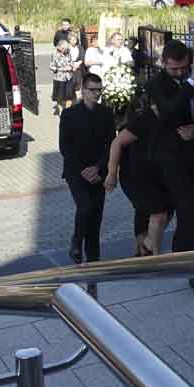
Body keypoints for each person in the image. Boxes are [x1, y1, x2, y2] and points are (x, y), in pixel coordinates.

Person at [144, 40, 194, 289]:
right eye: (174, 69)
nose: (179, 73)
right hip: (172, 157)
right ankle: (187, 265)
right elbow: (169, 110)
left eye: (184, 68)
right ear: (163, 63)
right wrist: (191, 80)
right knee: (188, 209)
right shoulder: (155, 84)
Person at [104, 99, 172, 257]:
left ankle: (146, 248)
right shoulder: (145, 119)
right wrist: (111, 174)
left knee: (163, 212)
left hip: (156, 175)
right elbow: (117, 143)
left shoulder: (170, 116)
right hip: (136, 177)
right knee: (159, 214)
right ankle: (152, 251)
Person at [59, 73, 115, 265]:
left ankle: (93, 257)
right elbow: (65, 147)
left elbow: (111, 144)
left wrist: (98, 168)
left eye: (99, 90)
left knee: (96, 215)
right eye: (92, 90)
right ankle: (76, 241)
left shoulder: (107, 113)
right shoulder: (69, 114)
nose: (96, 94)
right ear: (83, 90)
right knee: (85, 207)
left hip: (98, 171)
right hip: (76, 171)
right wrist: (84, 169)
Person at [49, 39, 80, 115]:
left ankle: (66, 112)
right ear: (59, 47)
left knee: (70, 96)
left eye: (66, 49)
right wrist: (62, 69)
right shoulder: (54, 54)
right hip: (59, 79)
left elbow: (71, 61)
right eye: (63, 49)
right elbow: (51, 67)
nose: (65, 50)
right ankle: (61, 111)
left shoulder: (67, 52)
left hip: (69, 77)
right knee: (60, 98)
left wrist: (73, 66)